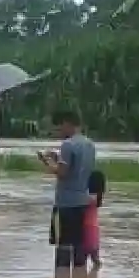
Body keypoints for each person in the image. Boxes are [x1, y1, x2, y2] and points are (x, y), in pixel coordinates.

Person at [43, 109, 97, 263]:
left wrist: (48, 163)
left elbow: (63, 172)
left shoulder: (67, 144)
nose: (59, 131)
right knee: (79, 245)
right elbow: (80, 168)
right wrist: (57, 158)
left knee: (63, 247)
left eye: (60, 127)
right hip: (82, 202)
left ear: (68, 124)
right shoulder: (90, 145)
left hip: (65, 204)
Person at [81, 169, 106, 270]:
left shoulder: (88, 197)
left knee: (83, 259)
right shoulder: (98, 197)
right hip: (94, 229)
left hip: (86, 228)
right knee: (95, 258)